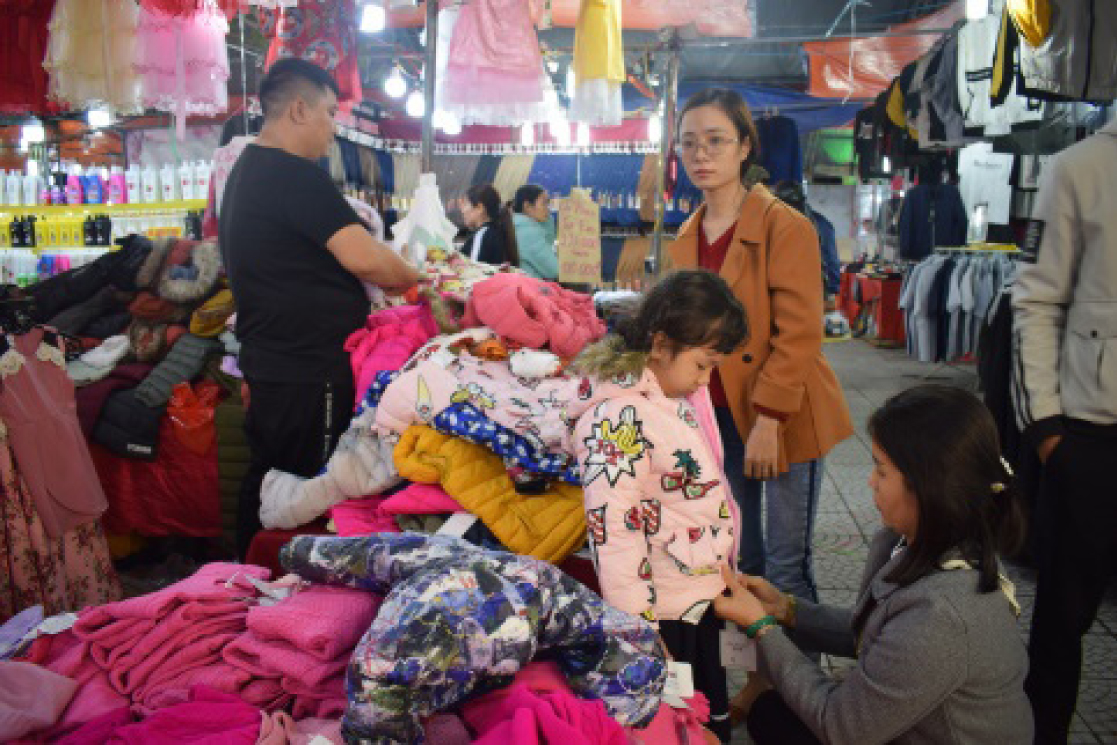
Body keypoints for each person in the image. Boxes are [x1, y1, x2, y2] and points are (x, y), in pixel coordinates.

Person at [714, 385, 1032, 744]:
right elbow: (876, 636)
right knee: (773, 714)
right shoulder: (910, 544)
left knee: (778, 718)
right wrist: (787, 610)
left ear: (927, 486)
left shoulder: (944, 611)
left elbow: (842, 727)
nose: (870, 481)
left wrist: (761, 628)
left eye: (881, 470)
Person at [219, 58, 418, 558]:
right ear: (300, 110)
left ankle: (247, 577)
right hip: (307, 369)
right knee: (303, 491)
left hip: (277, 362)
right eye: (331, 114)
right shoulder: (292, 175)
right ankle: (277, 591)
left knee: (270, 479)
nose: (334, 131)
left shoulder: (248, 169)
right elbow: (363, 257)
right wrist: (416, 275)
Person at [668, 88, 853, 606]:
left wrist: (770, 417)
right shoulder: (686, 235)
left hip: (784, 408)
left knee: (787, 567)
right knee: (741, 560)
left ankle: (800, 683)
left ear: (744, 147)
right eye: (688, 144)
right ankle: (759, 680)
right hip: (720, 412)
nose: (701, 154)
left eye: (715, 141)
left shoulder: (785, 226)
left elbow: (800, 332)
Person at [570, 270, 749, 743]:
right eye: (703, 364)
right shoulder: (618, 419)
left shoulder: (668, 396)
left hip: (694, 594)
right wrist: (641, 635)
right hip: (661, 616)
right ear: (660, 344)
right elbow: (614, 535)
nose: (706, 379)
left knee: (706, 713)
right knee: (678, 722)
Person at [1012, 116, 1117, 743]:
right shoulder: (1080, 167)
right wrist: (1046, 427)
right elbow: (1035, 297)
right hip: (1090, 431)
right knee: (1062, 617)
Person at [772, 179, 841, 301]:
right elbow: (831, 260)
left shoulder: (777, 223)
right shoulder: (822, 223)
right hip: (811, 294)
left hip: (795, 294)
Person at [460, 183, 519, 267]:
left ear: (480, 208)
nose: (462, 210)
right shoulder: (498, 230)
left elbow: (473, 270)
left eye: (465, 204)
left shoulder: (483, 233)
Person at [510, 184, 558, 280]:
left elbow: (548, 243)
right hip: (533, 290)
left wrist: (548, 219)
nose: (548, 208)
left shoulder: (515, 225)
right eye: (544, 203)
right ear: (527, 206)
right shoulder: (529, 232)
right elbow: (554, 271)